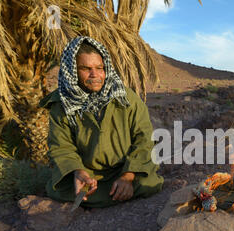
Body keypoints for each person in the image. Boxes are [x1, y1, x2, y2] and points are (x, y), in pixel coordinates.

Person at [39, 36, 163, 208]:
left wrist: (128, 176)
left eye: (100, 68)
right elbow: (61, 146)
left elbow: (145, 139)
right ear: (73, 71)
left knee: (149, 184)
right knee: (60, 190)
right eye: (86, 68)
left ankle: (123, 186)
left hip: (126, 169)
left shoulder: (127, 98)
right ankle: (106, 190)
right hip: (89, 174)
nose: (95, 75)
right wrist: (78, 171)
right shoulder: (61, 105)